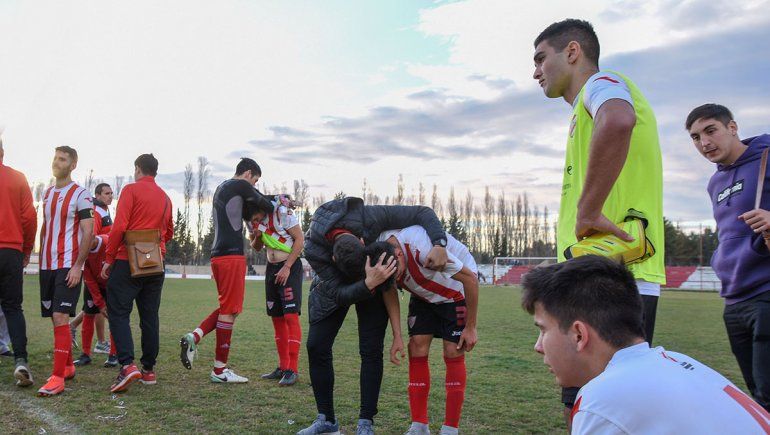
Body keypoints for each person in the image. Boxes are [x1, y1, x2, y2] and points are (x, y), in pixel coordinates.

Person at [532, 18, 665, 422]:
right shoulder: (582, 111)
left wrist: (588, 210)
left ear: (572, 52)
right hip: (594, 274)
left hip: (613, 277)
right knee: (586, 404)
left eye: (540, 58)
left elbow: (618, 119)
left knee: (606, 409)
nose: (535, 72)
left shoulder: (602, 83)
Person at [521, 255, 770, 434]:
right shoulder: (678, 361)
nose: (538, 346)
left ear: (579, 335)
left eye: (543, 330)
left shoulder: (602, 400)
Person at [298, 197, 448, 435]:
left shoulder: (370, 216)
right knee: (316, 345)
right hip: (337, 287)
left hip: (375, 279)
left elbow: (422, 212)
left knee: (371, 350)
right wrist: (367, 283)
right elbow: (339, 293)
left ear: (361, 241)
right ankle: (326, 420)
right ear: (333, 258)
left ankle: (365, 422)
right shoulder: (314, 248)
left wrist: (439, 243)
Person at [686, 103, 770, 412]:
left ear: (732, 128)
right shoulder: (715, 182)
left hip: (766, 292)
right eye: (696, 137)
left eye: (711, 131)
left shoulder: (766, 156)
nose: (704, 142)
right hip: (734, 300)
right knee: (758, 396)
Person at [370, 225, 479, 435]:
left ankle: (450, 429)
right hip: (423, 295)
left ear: (399, 254)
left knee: (453, 350)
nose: (395, 280)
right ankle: (419, 426)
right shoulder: (381, 251)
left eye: (396, 274)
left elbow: (470, 280)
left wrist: (471, 327)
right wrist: (397, 336)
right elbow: (389, 291)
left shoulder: (422, 247)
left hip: (456, 291)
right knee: (416, 347)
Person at [179, 158, 272, 383]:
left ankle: (194, 337)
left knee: (227, 309)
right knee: (230, 311)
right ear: (248, 173)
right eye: (255, 181)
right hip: (231, 256)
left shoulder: (224, 187)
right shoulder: (240, 185)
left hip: (218, 255)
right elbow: (266, 204)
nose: (255, 186)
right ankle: (219, 371)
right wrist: (283, 200)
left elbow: (245, 211)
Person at [102, 153, 173, 394]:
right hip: (155, 261)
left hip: (127, 260)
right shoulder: (165, 197)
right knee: (150, 317)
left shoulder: (131, 190)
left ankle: (127, 365)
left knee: (118, 312)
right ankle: (148, 370)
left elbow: (120, 226)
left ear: (138, 169)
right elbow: (169, 232)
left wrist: (109, 258)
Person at [37, 146, 95, 396]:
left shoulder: (81, 194)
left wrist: (78, 266)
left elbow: (89, 231)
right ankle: (69, 366)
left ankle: (57, 377)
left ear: (72, 165)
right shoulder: (47, 193)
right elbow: (45, 227)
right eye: (55, 158)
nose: (56, 162)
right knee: (55, 317)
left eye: (62, 159)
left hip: (68, 265)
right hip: (46, 265)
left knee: (60, 315)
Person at [253, 194, 304, 387]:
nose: (253, 219)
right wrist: (257, 236)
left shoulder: (282, 213)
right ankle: (282, 367)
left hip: (288, 268)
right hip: (271, 268)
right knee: (276, 318)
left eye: (255, 215)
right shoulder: (256, 221)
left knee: (290, 316)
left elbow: (300, 240)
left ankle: (293, 369)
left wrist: (287, 266)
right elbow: (256, 247)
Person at [0, 137, 36, 386]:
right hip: (10, 251)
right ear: (2, 152)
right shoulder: (18, 178)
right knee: (13, 307)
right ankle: (21, 359)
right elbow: (29, 218)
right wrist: (26, 250)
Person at [71, 182, 114, 362]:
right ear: (97, 195)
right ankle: (94, 347)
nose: (110, 196)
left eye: (111, 193)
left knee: (102, 310)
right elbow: (92, 239)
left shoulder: (104, 211)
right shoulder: (96, 212)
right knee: (93, 309)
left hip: (106, 269)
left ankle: (109, 349)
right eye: (106, 193)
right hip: (96, 267)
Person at [73, 231, 117, 368]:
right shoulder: (83, 252)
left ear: (92, 236)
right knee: (88, 314)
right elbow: (89, 279)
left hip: (112, 285)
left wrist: (107, 301)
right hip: (93, 285)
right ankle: (85, 354)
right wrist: (100, 303)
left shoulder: (108, 243)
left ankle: (113, 354)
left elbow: (117, 269)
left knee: (114, 317)